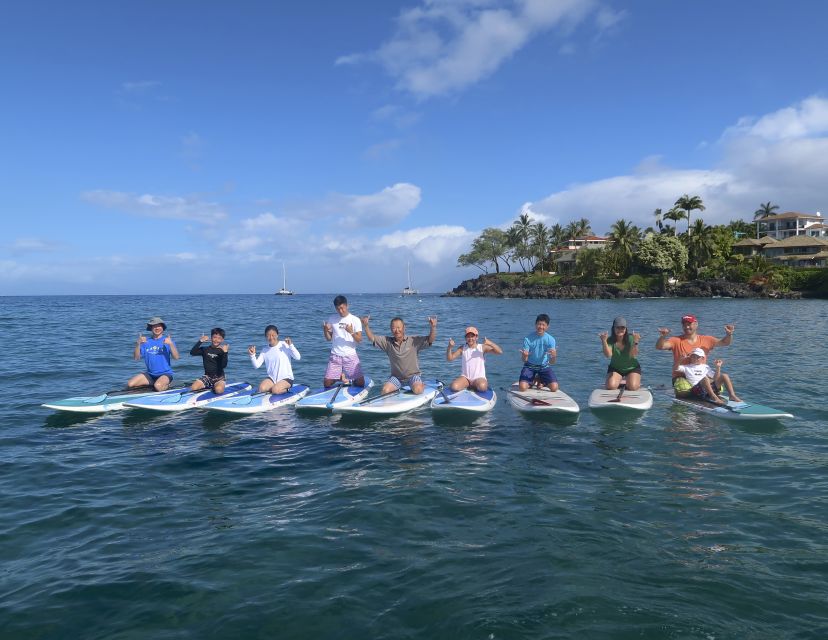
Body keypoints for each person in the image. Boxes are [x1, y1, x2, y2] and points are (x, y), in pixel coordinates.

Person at [655, 313, 735, 396]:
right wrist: (662, 337)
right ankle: (701, 393)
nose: (686, 327)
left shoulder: (707, 339)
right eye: (684, 325)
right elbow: (660, 347)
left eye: (689, 324)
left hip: (700, 375)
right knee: (684, 390)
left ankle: (716, 394)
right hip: (681, 376)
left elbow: (725, 342)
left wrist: (729, 334)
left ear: (696, 324)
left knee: (719, 386)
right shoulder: (676, 340)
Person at [361, 315, 437, 395]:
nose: (397, 330)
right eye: (394, 328)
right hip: (396, 378)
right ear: (391, 329)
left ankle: (421, 385)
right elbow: (372, 338)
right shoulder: (387, 342)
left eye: (399, 327)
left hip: (412, 376)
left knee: (418, 390)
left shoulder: (413, 341)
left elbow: (430, 340)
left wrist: (433, 327)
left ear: (404, 328)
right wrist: (366, 326)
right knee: (385, 391)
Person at [321, 295, 365, 388]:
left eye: (342, 308)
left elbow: (359, 340)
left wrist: (351, 332)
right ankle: (340, 377)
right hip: (335, 355)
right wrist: (325, 330)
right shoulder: (332, 319)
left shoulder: (355, 320)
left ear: (347, 306)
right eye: (338, 309)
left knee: (361, 383)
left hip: (350, 355)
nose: (340, 311)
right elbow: (329, 339)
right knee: (327, 383)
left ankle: (350, 378)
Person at [128, 316, 180, 391]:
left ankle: (167, 386)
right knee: (130, 384)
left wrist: (171, 344)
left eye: (159, 326)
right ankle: (153, 383)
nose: (157, 328)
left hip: (165, 374)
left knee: (158, 386)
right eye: (154, 326)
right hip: (150, 375)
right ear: (151, 328)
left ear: (162, 328)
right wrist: (138, 344)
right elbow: (136, 358)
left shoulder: (168, 341)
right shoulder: (145, 342)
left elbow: (176, 357)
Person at [675, 347, 742, 405]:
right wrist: (680, 359)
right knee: (705, 379)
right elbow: (675, 368)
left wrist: (718, 367)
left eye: (698, 357)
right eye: (693, 356)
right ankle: (714, 397)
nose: (695, 358)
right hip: (696, 390)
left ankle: (732, 395)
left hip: (708, 389)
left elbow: (716, 378)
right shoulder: (686, 367)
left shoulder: (706, 367)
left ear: (702, 358)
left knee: (724, 375)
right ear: (690, 357)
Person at [445, 326, 502, 392]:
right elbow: (450, 359)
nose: (470, 338)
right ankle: (468, 385)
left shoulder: (482, 347)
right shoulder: (462, 348)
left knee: (482, 387)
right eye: (468, 336)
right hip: (466, 378)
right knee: (454, 387)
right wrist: (449, 347)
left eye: (472, 336)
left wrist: (490, 343)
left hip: (478, 378)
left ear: (476, 337)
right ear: (465, 338)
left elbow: (499, 352)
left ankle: (475, 386)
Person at [248, 325, 300, 395]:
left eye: (273, 335)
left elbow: (298, 357)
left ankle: (286, 389)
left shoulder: (284, 344)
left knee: (275, 390)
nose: (271, 337)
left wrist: (291, 345)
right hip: (272, 379)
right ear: (266, 337)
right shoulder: (265, 350)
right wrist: (252, 355)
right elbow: (256, 366)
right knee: (261, 388)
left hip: (286, 378)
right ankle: (273, 388)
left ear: (277, 335)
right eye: (268, 335)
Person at [599, 316, 642, 390]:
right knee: (611, 386)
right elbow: (608, 355)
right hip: (615, 368)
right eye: (617, 327)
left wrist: (636, 342)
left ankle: (631, 379)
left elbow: (633, 355)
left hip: (632, 368)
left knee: (633, 387)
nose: (620, 330)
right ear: (613, 328)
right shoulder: (610, 340)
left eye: (622, 328)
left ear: (626, 329)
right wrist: (604, 341)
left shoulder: (631, 338)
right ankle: (619, 379)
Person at [518, 313, 558, 392]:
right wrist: (524, 355)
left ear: (547, 326)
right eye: (539, 324)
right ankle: (533, 380)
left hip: (544, 367)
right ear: (535, 324)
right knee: (522, 388)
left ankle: (540, 379)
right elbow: (524, 360)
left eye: (543, 325)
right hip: (529, 366)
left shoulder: (551, 340)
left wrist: (554, 356)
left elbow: (552, 362)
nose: (541, 327)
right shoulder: (528, 339)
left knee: (554, 388)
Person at [189, 328, 228, 394]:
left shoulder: (222, 351)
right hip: (207, 377)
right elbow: (192, 352)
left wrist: (225, 353)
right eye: (214, 337)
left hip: (219, 378)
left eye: (219, 338)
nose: (216, 340)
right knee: (193, 388)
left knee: (219, 390)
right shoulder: (205, 349)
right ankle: (209, 386)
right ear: (211, 338)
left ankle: (215, 386)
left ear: (222, 340)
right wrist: (200, 341)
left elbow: (224, 365)